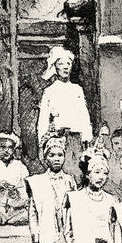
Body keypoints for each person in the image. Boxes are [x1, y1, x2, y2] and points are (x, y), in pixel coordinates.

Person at [62, 147, 119, 243]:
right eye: (97, 172)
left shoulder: (111, 200)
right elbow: (69, 233)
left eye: (105, 173)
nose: (101, 177)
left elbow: (116, 230)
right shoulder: (75, 198)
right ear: (87, 174)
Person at [36, 46, 92, 182]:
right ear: (55, 67)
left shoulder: (77, 89)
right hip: (59, 138)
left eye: (68, 63)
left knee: (78, 174)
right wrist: (42, 141)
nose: (65, 67)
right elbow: (43, 118)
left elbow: (83, 115)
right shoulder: (49, 91)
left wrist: (87, 136)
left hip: (76, 140)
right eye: (61, 64)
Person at [26, 133, 77, 243]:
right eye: (52, 155)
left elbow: (76, 210)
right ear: (45, 157)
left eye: (60, 155)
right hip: (48, 236)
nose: (56, 159)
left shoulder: (69, 180)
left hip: (68, 234)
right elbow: (33, 214)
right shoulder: (38, 182)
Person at [0, 132, 30, 227]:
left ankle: (10, 219)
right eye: (3, 147)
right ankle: (2, 218)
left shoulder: (21, 167)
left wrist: (17, 192)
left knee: (26, 216)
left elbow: (27, 192)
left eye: (10, 147)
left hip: (16, 209)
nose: (7, 151)